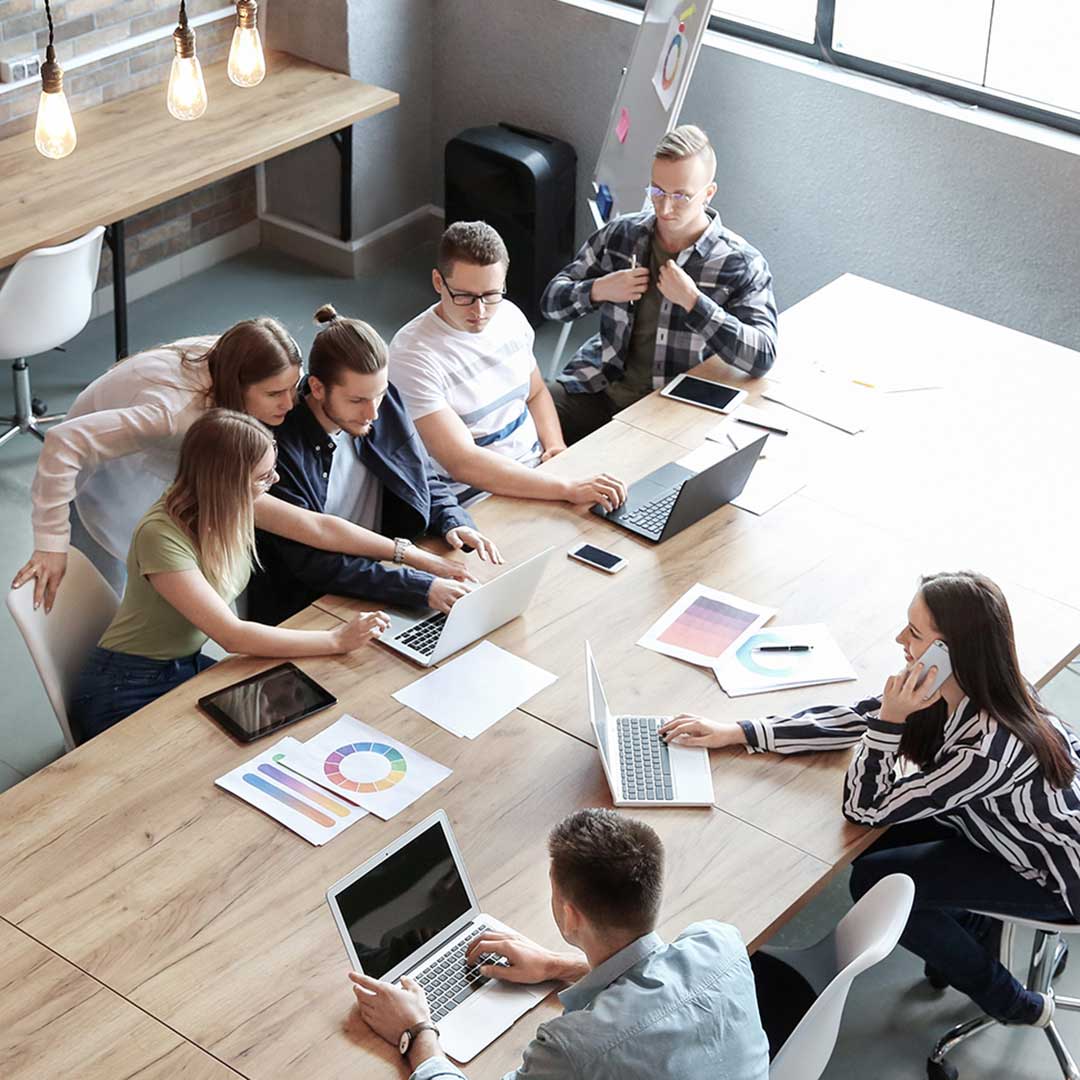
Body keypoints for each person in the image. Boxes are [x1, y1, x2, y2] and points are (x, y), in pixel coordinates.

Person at [660, 571, 1080, 1028]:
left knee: (875, 880)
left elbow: (864, 806)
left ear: (951, 651)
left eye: (915, 634)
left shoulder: (988, 748)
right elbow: (858, 717)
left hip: (1054, 878)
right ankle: (971, 929)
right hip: (997, 830)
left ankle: (1010, 1002)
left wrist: (892, 721)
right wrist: (739, 732)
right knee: (878, 848)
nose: (900, 638)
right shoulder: (972, 687)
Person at [350, 807, 770, 1080]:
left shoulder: (572, 1051)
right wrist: (557, 966)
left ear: (570, 914)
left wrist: (416, 1031)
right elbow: (656, 983)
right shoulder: (721, 942)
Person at [69, 410, 390, 740]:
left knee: (291, 712)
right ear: (227, 482)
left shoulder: (231, 503)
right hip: (125, 687)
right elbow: (232, 636)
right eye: (264, 477)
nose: (275, 481)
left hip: (185, 664)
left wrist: (411, 555)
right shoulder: (161, 536)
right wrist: (335, 640)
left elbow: (319, 528)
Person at [14, 317, 304, 605]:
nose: (289, 403)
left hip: (145, 448)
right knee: (97, 597)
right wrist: (50, 544)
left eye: (294, 387)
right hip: (96, 466)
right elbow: (64, 443)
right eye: (275, 394)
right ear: (237, 385)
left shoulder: (241, 356)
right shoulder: (172, 415)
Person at [247, 305, 501, 628]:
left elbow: (420, 474)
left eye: (378, 395)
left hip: (382, 578)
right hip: (314, 605)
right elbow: (316, 564)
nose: (373, 413)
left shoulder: (381, 400)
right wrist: (420, 585)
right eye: (356, 401)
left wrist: (451, 519)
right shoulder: (276, 452)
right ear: (317, 387)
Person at [541, 125, 778, 444]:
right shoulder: (621, 235)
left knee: (615, 479)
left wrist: (695, 303)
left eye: (681, 196)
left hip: (671, 413)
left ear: (708, 193)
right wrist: (599, 290)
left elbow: (762, 355)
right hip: (600, 388)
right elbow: (551, 303)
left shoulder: (740, 263)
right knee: (520, 419)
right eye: (657, 191)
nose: (665, 208)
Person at [388, 220, 626, 510]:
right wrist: (565, 488)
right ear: (439, 282)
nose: (480, 311)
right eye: (464, 296)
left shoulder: (510, 316)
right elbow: (463, 463)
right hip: (477, 501)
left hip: (540, 476)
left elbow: (536, 393)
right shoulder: (412, 356)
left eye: (491, 295)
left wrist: (555, 447)